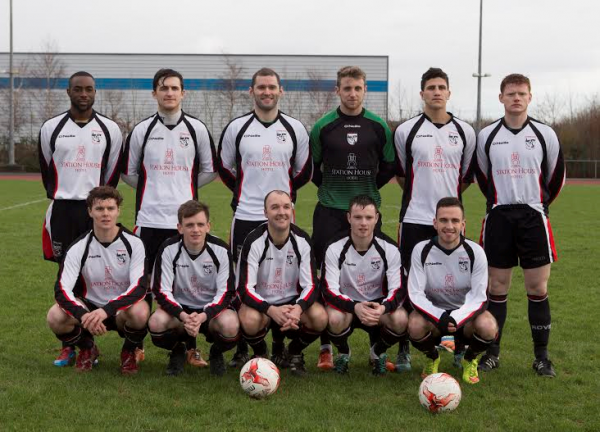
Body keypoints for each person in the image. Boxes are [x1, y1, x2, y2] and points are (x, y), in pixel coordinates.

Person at [217, 67, 312, 367]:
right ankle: (245, 346)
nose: (267, 92)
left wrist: (280, 199)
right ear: (252, 91)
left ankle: (282, 342)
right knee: (243, 278)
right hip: (246, 213)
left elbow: (303, 171)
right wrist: (247, 192)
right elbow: (225, 168)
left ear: (281, 90)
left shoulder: (295, 128)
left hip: (283, 215)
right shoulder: (237, 127)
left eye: (272, 86)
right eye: (261, 87)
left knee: (283, 276)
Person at [121, 68, 217, 363]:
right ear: (154, 93)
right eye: (163, 88)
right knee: (143, 284)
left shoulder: (197, 129)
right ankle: (136, 346)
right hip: (149, 220)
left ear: (183, 93)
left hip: (185, 225)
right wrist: (155, 188)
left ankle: (189, 348)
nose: (169, 93)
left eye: (175, 88)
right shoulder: (142, 130)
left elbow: (210, 170)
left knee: (185, 285)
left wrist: (183, 189)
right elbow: (128, 172)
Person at [475, 74, 565, 377]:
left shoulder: (545, 134)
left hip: (533, 217)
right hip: (499, 216)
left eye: (522, 93)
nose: (516, 98)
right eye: (510, 93)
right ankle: (492, 353)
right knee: (496, 287)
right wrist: (500, 203)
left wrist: (536, 204)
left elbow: (556, 177)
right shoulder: (486, 135)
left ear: (530, 97)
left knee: (537, 287)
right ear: (501, 97)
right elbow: (482, 177)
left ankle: (542, 357)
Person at [310, 66, 396, 369]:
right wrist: (336, 192)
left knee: (376, 276)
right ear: (337, 90)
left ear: (365, 90)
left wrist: (364, 195)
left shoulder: (378, 126)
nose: (352, 93)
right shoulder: (323, 126)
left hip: (367, 213)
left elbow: (388, 167)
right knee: (323, 273)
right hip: (330, 211)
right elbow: (314, 171)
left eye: (358, 88)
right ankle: (326, 348)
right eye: (346, 88)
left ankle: (377, 349)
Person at [38, 71, 123, 367]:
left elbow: (112, 171)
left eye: (89, 89)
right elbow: (47, 168)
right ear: (68, 91)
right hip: (63, 210)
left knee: (99, 271)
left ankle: (101, 328)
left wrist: (98, 200)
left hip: (96, 210)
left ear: (95, 92)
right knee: (66, 275)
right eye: (78, 89)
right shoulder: (52, 127)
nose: (84, 94)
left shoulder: (110, 128)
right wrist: (63, 194)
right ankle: (75, 345)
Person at [394, 67, 476, 370]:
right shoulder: (406, 130)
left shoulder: (466, 132)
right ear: (422, 93)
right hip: (416, 218)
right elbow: (402, 175)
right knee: (408, 281)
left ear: (449, 93)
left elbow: (465, 176)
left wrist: (448, 207)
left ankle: (459, 345)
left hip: (451, 222)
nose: (436, 92)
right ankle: (404, 346)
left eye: (442, 87)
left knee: (457, 283)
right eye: (431, 87)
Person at [46, 186, 149, 375]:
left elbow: (139, 287)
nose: (105, 214)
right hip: (89, 308)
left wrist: (107, 310)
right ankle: (87, 348)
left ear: (118, 210)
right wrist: (82, 314)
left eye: (110, 208)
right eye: (100, 209)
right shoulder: (78, 246)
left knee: (141, 312)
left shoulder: (134, 243)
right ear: (90, 211)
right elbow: (62, 289)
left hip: (119, 310)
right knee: (54, 316)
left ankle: (128, 352)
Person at [236, 190, 327, 377]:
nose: (281, 212)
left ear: (292, 212)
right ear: (265, 212)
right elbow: (244, 289)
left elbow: (311, 285)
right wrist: (270, 309)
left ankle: (294, 352)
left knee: (319, 317)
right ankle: (261, 352)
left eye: (286, 207)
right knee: (248, 319)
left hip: (292, 304)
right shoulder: (253, 241)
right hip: (262, 305)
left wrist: (298, 309)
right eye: (275, 207)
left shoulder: (302, 240)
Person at [407, 197, 497, 385]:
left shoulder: (475, 252)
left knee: (489, 326)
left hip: (463, 319)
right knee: (414, 325)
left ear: (463, 224)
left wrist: (456, 317)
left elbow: (479, 297)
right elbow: (415, 294)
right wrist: (440, 316)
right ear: (435, 223)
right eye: (444, 220)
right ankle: (432, 358)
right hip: (434, 317)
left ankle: (469, 359)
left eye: (455, 221)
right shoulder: (421, 250)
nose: (449, 226)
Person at [149, 200, 239, 376]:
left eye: (200, 224)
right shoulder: (168, 249)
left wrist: (204, 316)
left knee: (231, 325)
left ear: (208, 226)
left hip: (210, 312)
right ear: (180, 228)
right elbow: (161, 291)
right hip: (180, 311)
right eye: (189, 225)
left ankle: (216, 353)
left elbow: (226, 292)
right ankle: (178, 350)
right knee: (156, 323)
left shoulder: (220, 249)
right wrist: (183, 315)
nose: (195, 230)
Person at [321, 195, 407, 375]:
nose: (363, 223)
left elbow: (398, 289)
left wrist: (383, 308)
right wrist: (354, 306)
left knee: (400, 319)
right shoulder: (335, 248)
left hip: (377, 307)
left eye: (368, 217)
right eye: (358, 217)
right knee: (333, 318)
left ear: (376, 218)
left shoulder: (389, 248)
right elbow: (329, 290)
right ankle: (344, 353)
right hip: (347, 306)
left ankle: (377, 353)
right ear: (348, 218)